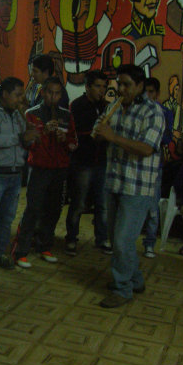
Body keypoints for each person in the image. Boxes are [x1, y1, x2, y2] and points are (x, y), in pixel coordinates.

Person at [93, 64, 165, 308]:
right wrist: (101, 133)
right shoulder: (115, 108)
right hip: (114, 181)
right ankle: (135, 278)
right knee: (116, 239)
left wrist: (113, 137)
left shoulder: (153, 112)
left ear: (140, 86)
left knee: (123, 241)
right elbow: (105, 137)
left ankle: (123, 289)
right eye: (119, 84)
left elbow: (146, 148)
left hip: (138, 188)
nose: (121, 89)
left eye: (126, 85)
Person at [0, 77, 40, 275]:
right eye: (17, 95)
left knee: (7, 217)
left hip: (15, 173)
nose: (20, 99)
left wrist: (30, 138)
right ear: (4, 94)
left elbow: (23, 143)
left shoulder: (19, 115)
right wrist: (21, 137)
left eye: (22, 95)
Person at [12, 77, 77, 268]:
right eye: (50, 92)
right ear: (43, 93)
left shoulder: (66, 115)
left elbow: (74, 144)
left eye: (57, 93)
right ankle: (20, 250)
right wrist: (44, 132)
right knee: (33, 209)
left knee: (54, 209)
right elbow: (27, 143)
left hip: (60, 169)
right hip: (39, 168)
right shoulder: (31, 114)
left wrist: (64, 138)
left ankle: (44, 246)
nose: (53, 97)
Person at [65, 70, 111, 256]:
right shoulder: (77, 106)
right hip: (82, 162)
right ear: (87, 87)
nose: (102, 90)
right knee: (79, 202)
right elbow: (74, 134)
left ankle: (101, 238)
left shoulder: (108, 107)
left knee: (102, 203)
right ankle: (71, 238)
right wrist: (94, 135)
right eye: (98, 86)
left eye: (104, 87)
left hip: (101, 162)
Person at [141, 77, 174, 258]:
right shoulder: (137, 111)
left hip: (155, 165)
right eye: (145, 91)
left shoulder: (165, 112)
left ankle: (150, 243)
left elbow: (167, 139)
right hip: (138, 164)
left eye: (151, 92)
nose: (148, 95)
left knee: (153, 208)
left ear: (157, 93)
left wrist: (149, 139)